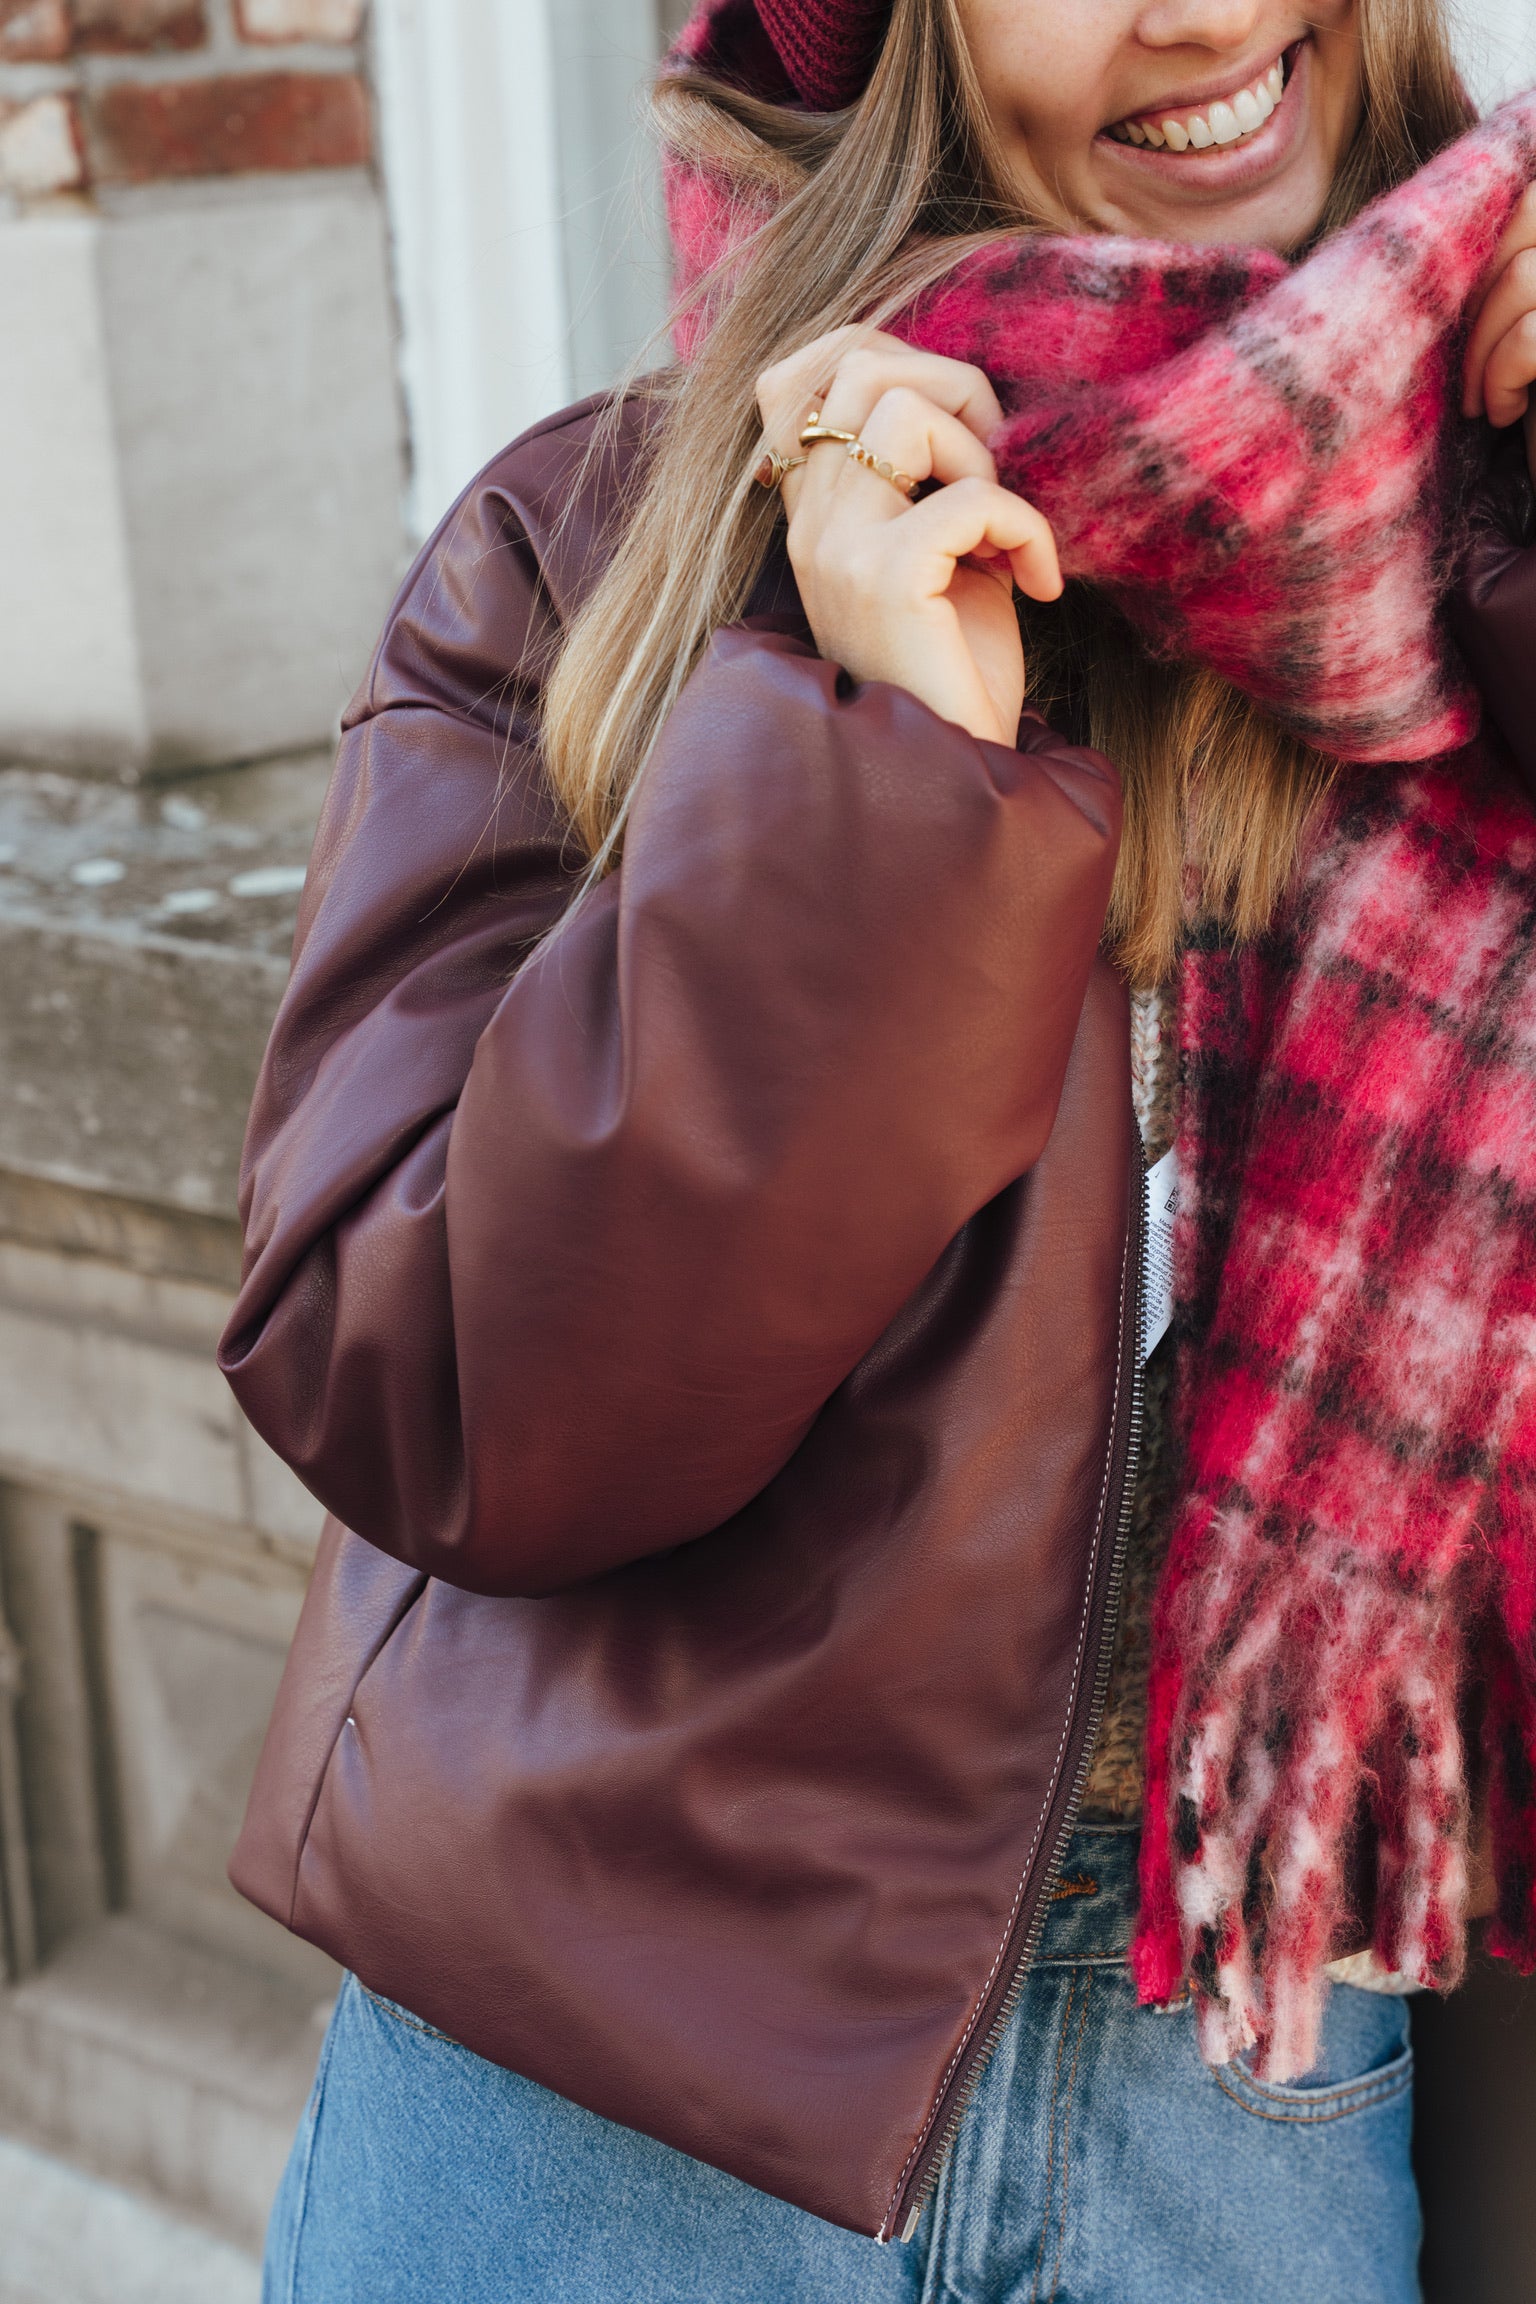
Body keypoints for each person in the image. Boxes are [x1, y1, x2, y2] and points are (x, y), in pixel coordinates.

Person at [219, 2, 1536, 2298]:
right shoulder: (613, 541)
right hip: (601, 2100)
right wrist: (863, 786)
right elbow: (433, 1398)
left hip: (1259, 2086)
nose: (1210, 14)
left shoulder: (1494, 532)